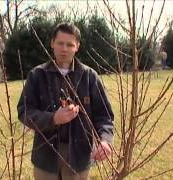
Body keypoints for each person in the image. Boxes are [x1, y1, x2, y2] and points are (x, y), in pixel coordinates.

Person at [17, 23, 114, 180]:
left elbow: (104, 115)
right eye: (60, 43)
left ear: (77, 47)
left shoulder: (89, 77)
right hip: (45, 158)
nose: (64, 49)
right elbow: (24, 111)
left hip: (79, 157)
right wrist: (53, 118)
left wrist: (105, 140)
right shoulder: (37, 75)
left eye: (70, 44)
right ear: (52, 44)